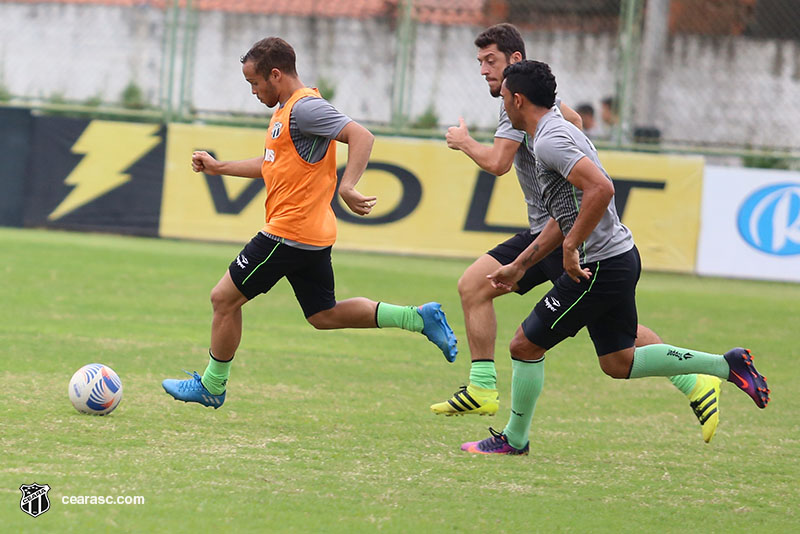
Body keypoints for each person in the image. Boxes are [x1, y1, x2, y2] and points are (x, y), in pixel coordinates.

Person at [461, 60, 770, 455]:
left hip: (598, 266)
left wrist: (571, 248)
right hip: (617, 258)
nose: (501, 106)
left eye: (504, 99)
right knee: (618, 361)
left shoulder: (551, 140)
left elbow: (602, 190)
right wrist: (522, 263)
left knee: (524, 344)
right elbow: (564, 210)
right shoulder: (553, 131)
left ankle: (514, 440)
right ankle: (725, 366)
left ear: (518, 100)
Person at [162, 37, 457, 408]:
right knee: (323, 315)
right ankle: (418, 318)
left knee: (223, 298)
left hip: (288, 232)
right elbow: (270, 164)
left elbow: (361, 136)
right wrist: (220, 167)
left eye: (254, 83)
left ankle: (212, 384)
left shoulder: (306, 109)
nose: (252, 91)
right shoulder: (287, 110)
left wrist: (348, 185)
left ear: (275, 74)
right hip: (311, 234)